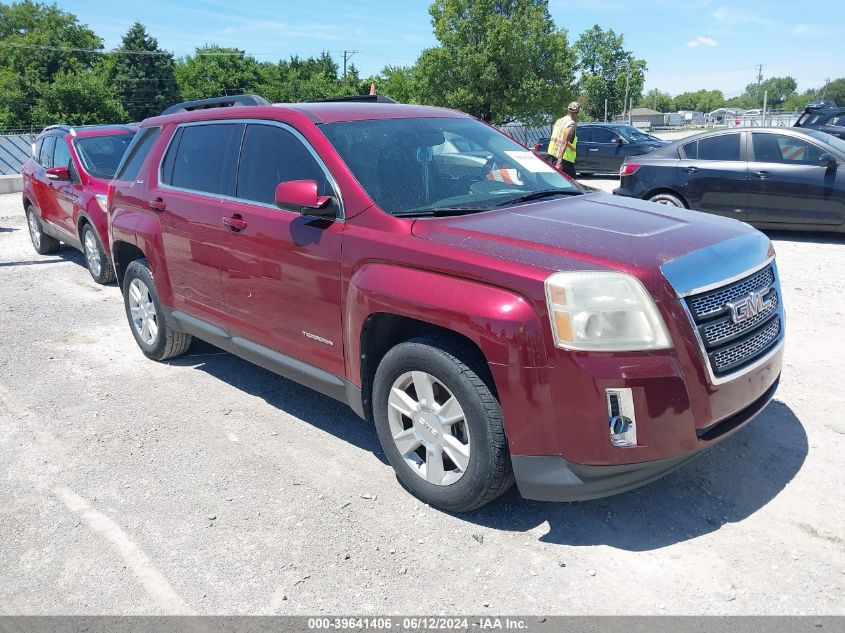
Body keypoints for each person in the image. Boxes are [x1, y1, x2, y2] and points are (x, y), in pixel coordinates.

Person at [547, 102, 580, 178]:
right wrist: (559, 162)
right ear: (577, 112)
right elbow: (564, 142)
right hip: (564, 160)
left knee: (555, 182)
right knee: (572, 184)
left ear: (568, 110)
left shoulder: (559, 121)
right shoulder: (571, 124)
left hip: (552, 156)